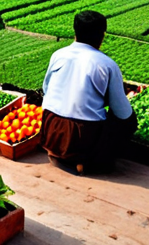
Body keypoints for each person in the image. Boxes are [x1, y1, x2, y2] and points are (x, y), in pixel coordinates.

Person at [39, 10, 137, 175]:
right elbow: (122, 112)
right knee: (129, 121)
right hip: (82, 137)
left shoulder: (58, 55)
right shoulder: (106, 64)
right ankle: (90, 161)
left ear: (75, 33)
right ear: (102, 36)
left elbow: (46, 90)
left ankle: (57, 153)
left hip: (51, 130)